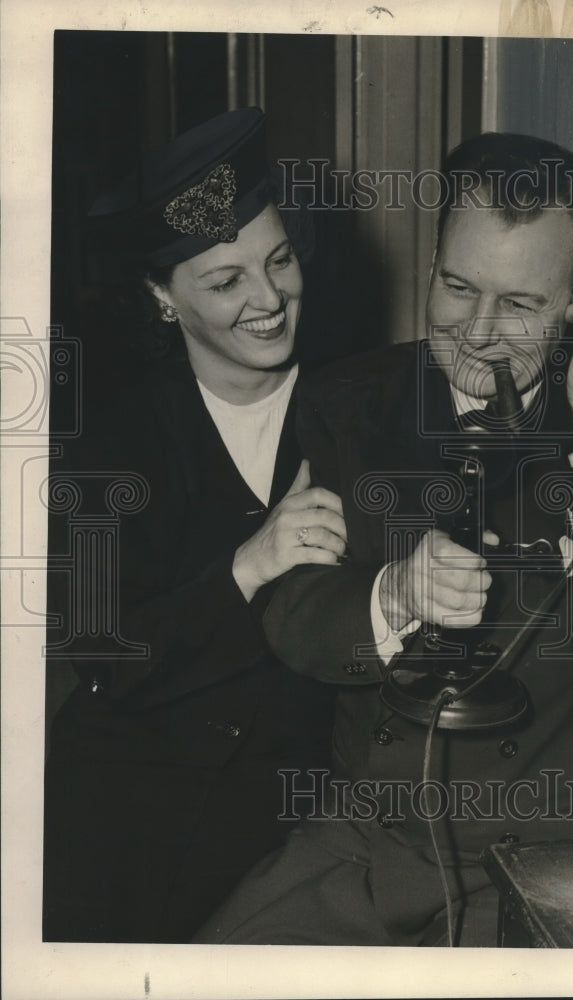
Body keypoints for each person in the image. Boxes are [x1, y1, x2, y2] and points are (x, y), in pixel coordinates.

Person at [196, 132, 573, 946]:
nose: (478, 332)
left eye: (520, 304)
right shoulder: (349, 401)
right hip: (373, 844)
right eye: (457, 286)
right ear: (433, 267)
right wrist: (390, 595)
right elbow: (294, 611)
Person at [43, 108, 348, 943]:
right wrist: (245, 568)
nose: (269, 299)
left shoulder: (360, 407)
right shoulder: (107, 444)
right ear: (162, 297)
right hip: (124, 809)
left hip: (296, 820)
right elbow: (102, 660)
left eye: (279, 259)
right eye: (225, 281)